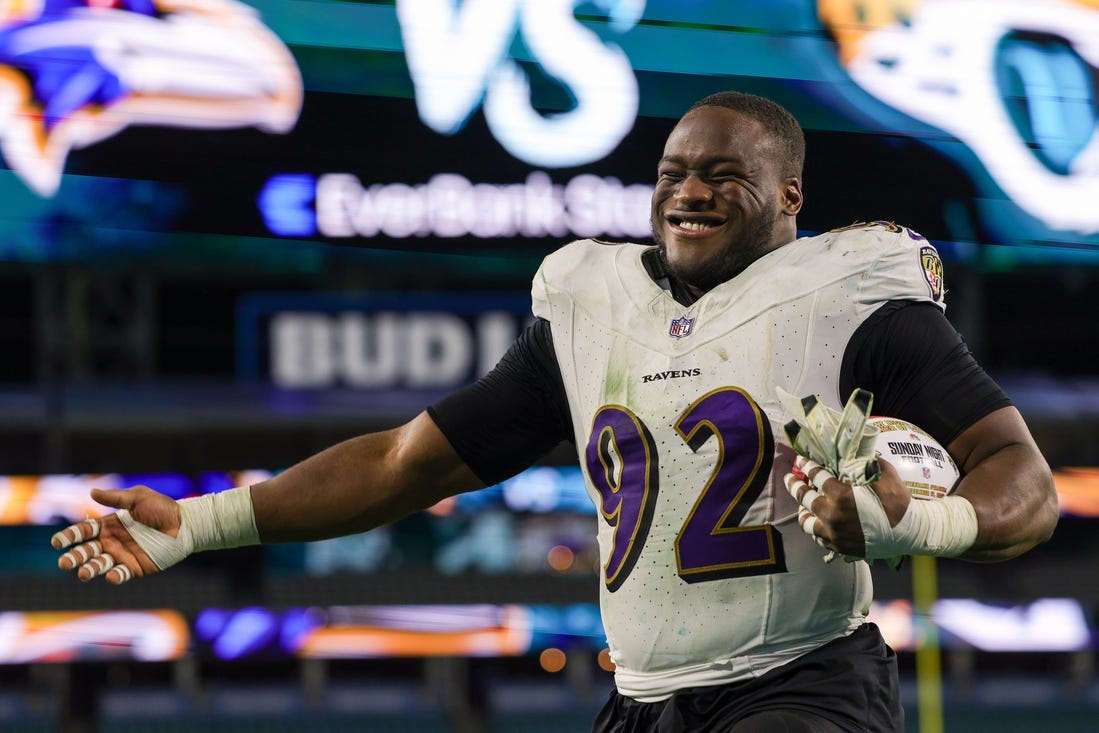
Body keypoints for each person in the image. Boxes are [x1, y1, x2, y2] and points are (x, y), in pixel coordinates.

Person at [51, 91, 1059, 732]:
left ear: (789, 196)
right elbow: (409, 462)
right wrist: (203, 524)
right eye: (672, 174)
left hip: (803, 688)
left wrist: (910, 520)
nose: (688, 192)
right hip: (643, 698)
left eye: (723, 174)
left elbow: (1023, 484)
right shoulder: (592, 314)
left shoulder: (854, 301)